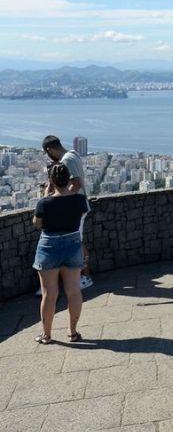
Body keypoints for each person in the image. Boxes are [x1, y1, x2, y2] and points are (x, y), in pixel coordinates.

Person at [32, 163, 88, 344]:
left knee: (49, 294)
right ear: (68, 179)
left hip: (49, 245)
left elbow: (37, 224)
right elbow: (79, 216)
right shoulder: (79, 200)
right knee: (73, 290)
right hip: (72, 243)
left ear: (51, 181)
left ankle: (46, 335)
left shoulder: (44, 202)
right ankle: (72, 333)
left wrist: (47, 195)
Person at [42, 135, 93, 290]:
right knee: (77, 241)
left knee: (76, 242)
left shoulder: (67, 160)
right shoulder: (73, 154)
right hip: (79, 205)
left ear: (50, 149)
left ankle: (85, 276)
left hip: (75, 207)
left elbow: (75, 184)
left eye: (47, 152)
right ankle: (83, 275)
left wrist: (61, 198)